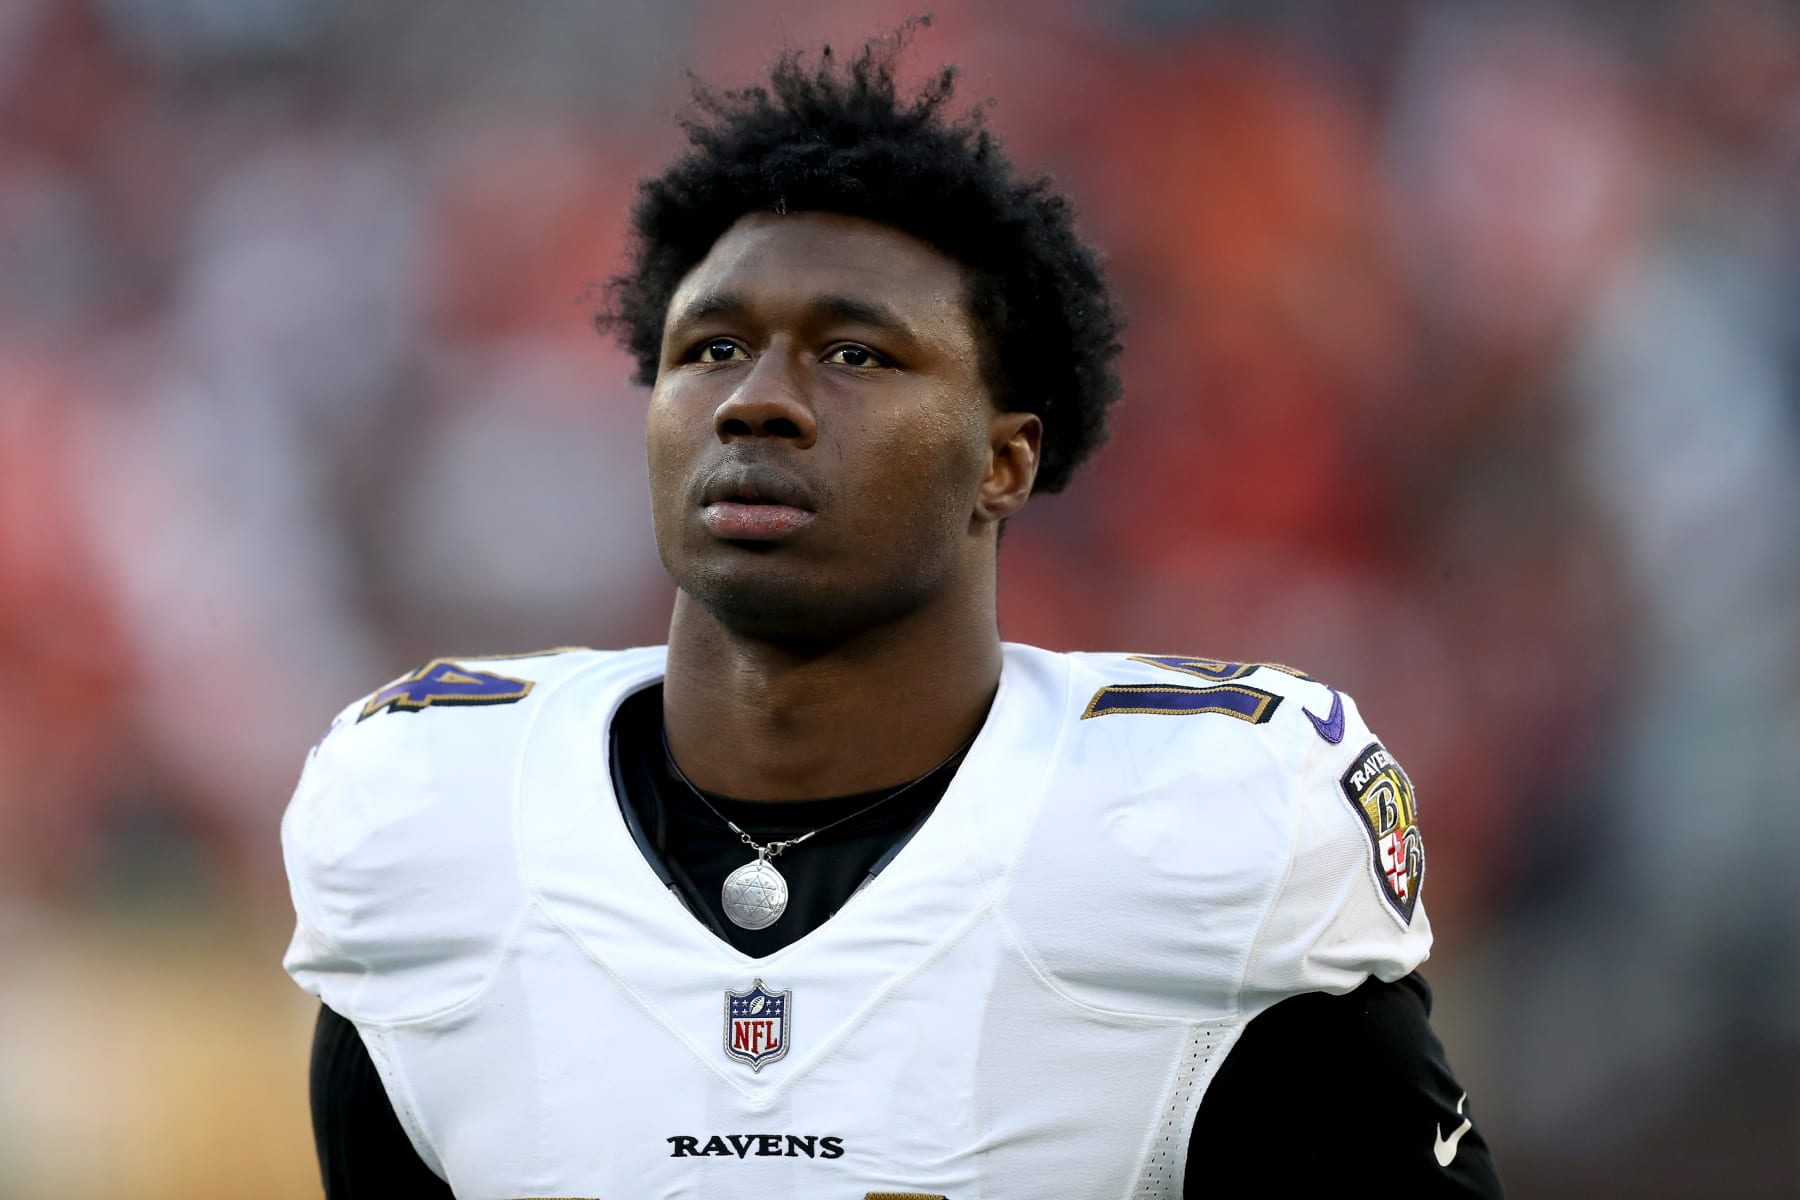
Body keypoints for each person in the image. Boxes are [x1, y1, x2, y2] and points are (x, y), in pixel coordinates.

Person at [282, 27, 1502, 1199]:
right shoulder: (428, 826)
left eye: (854, 355)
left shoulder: (1202, 831)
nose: (759, 403)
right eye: (710, 349)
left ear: (1005, 462)